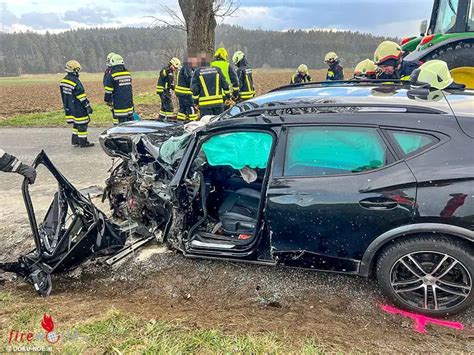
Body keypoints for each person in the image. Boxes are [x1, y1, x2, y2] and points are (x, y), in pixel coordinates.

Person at [59, 60, 94, 148]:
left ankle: (75, 141)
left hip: (69, 107)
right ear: (75, 70)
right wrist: (87, 106)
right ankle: (83, 142)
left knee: (76, 124)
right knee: (82, 124)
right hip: (78, 107)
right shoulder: (75, 81)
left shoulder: (63, 81)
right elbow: (81, 96)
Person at [191, 52, 231, 117]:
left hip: (204, 104)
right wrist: (228, 97)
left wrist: (195, 102)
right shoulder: (217, 69)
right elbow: (225, 84)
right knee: (218, 122)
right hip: (218, 103)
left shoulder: (197, 72)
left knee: (206, 123)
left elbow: (195, 89)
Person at [103, 54, 134, 125]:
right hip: (129, 103)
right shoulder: (127, 73)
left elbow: (108, 90)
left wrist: (107, 100)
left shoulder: (112, 75)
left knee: (122, 125)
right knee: (130, 122)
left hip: (119, 104)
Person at [176, 55, 198, 121]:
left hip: (181, 92)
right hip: (185, 93)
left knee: (183, 109)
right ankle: (193, 122)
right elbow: (189, 78)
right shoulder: (187, 67)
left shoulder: (185, 67)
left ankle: (180, 122)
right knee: (191, 108)